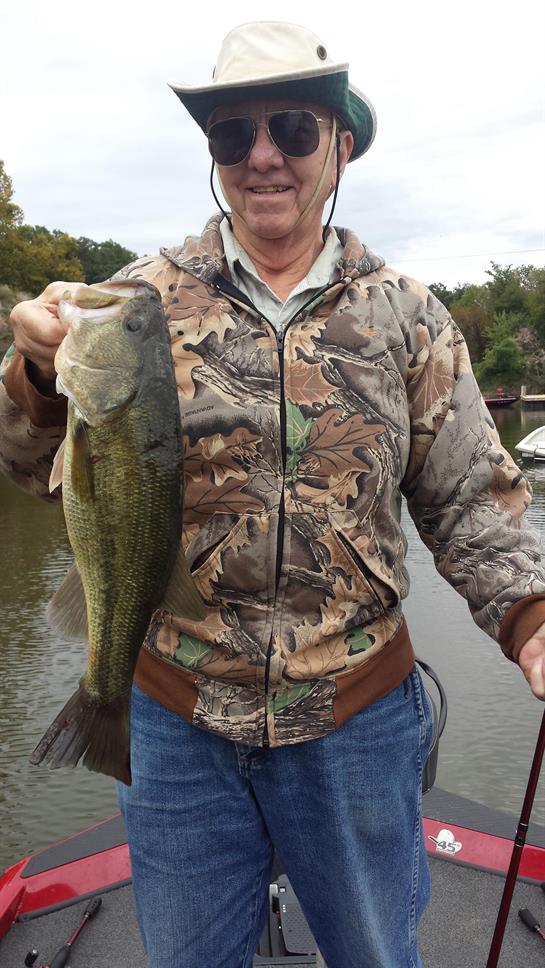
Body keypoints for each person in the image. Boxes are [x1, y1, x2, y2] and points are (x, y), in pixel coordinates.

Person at [2, 20, 545, 968]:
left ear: (339, 144)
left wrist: (530, 618)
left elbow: (466, 498)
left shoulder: (408, 314)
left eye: (292, 128)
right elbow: (25, 470)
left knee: (377, 954)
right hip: (172, 723)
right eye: (232, 134)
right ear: (211, 152)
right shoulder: (127, 304)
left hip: (357, 722)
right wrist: (36, 378)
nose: (263, 156)